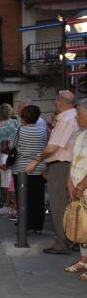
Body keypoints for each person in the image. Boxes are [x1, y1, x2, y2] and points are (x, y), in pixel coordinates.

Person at [26, 90, 79, 255]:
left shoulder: (66, 120)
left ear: (60, 102)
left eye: (56, 101)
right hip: (62, 165)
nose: (55, 104)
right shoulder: (69, 117)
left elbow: (53, 147)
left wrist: (36, 161)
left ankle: (63, 243)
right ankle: (70, 239)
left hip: (61, 167)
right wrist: (46, 166)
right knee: (67, 206)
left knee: (59, 206)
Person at [10, 105, 47, 233]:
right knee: (37, 197)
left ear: (23, 117)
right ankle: (37, 226)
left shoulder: (19, 130)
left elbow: (11, 146)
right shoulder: (42, 131)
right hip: (38, 168)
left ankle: (24, 225)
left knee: (23, 198)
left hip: (21, 168)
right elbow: (45, 149)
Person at [64, 98, 87, 282]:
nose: (77, 118)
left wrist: (81, 185)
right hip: (77, 189)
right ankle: (84, 260)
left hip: (84, 188)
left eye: (79, 115)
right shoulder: (80, 136)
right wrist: (70, 183)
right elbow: (73, 162)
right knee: (80, 224)